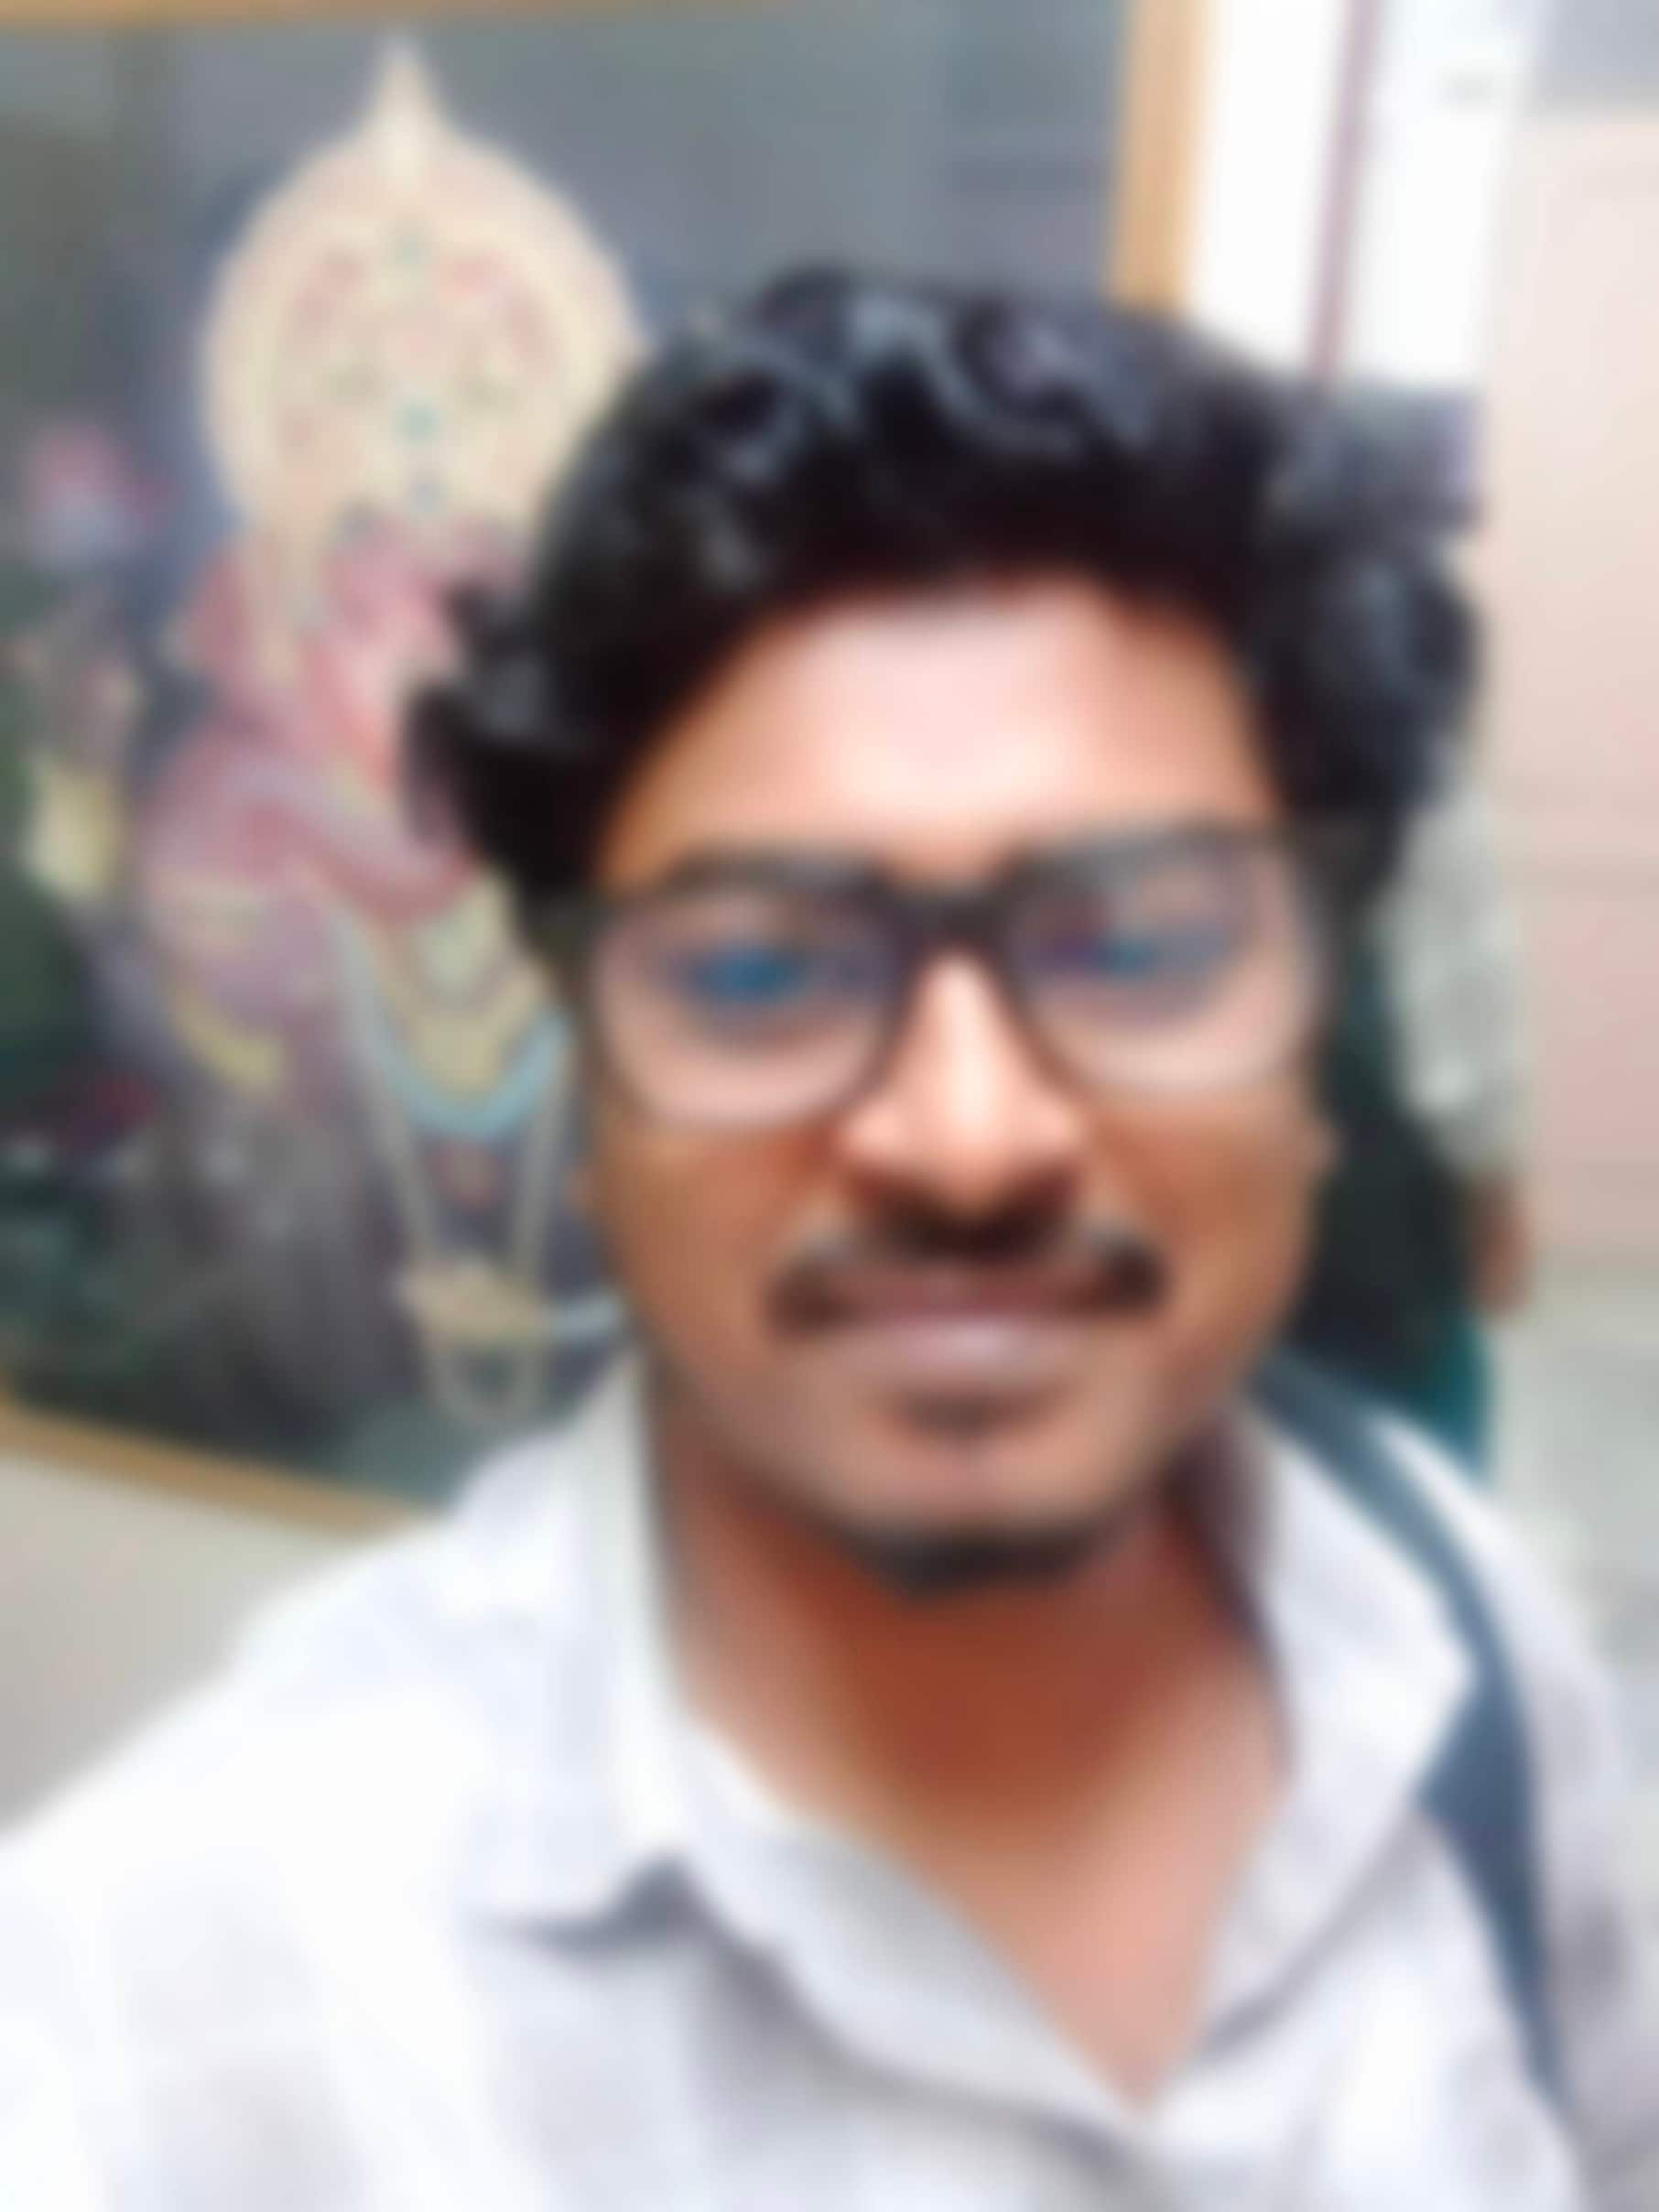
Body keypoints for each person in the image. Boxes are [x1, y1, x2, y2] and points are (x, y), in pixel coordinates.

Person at [0, 272, 1652, 2207]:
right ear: (584, 1066)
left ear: (1316, 1045)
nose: (967, 1142)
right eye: (758, 970)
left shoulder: (1461, 1634)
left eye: (1141, 945)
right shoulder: (152, 2021)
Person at [1290, 761, 1533, 1468]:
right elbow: (1460, 978)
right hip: (1367, 1189)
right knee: (1409, 1439)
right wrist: (1493, 1185)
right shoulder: (1390, 738)